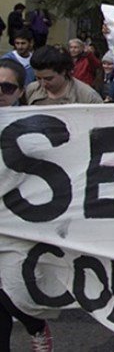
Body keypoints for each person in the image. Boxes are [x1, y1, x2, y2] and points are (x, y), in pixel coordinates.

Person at [0, 59, 54, 352]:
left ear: (20, 91)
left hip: (21, 223)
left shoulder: (34, 126)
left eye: (6, 87)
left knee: (14, 291)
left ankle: (34, 324)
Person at [25, 45, 103, 105]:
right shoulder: (32, 90)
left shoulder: (88, 97)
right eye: (38, 78)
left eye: (48, 79)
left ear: (63, 72)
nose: (43, 83)